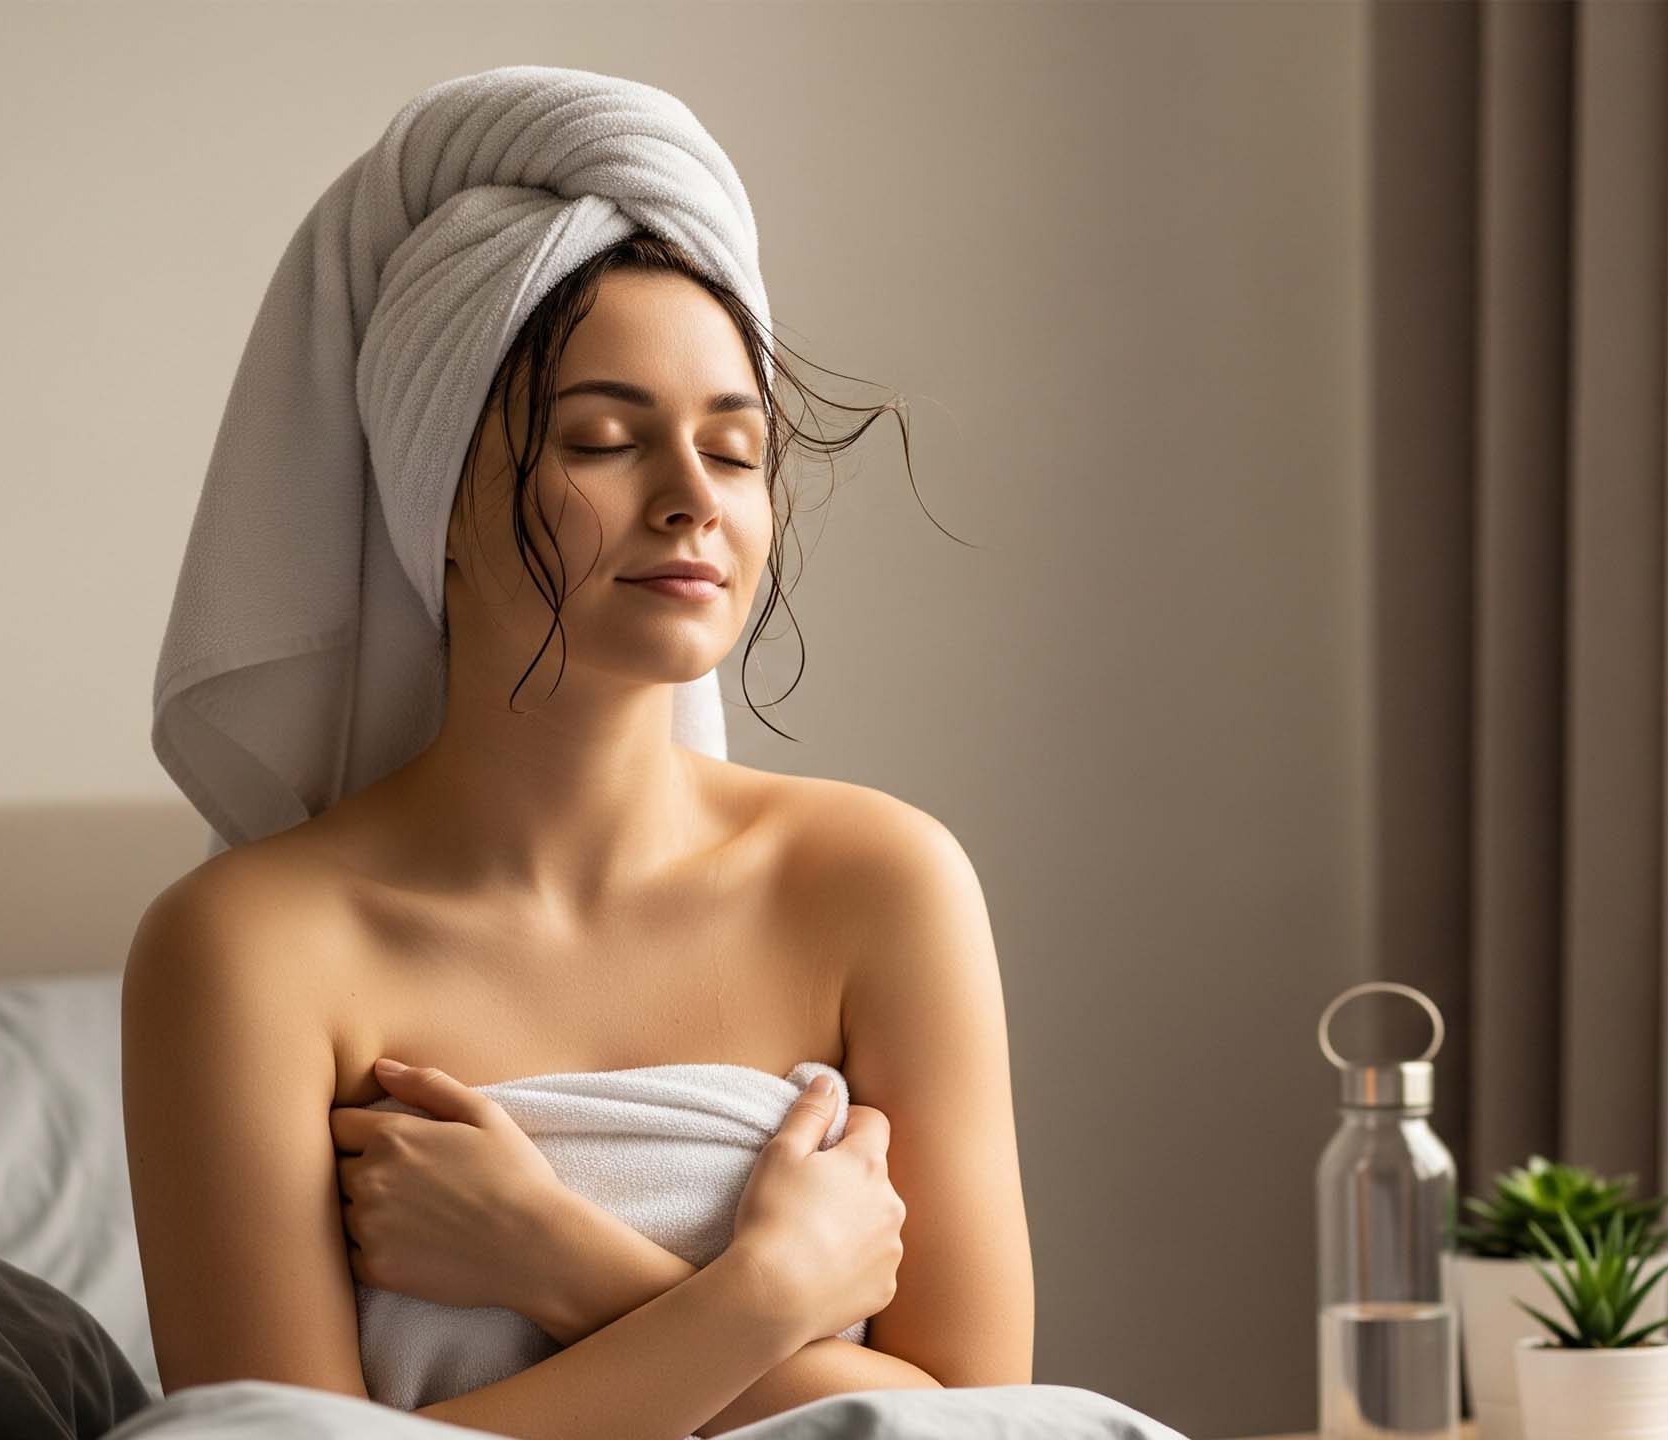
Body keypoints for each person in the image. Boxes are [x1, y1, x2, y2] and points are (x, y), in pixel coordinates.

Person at [120, 216, 1034, 1437]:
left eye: (735, 449)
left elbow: (995, 1427)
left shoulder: (880, 881)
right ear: (432, 494)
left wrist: (558, 1259)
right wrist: (770, 1293)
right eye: (602, 442)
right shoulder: (247, 945)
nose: (692, 500)